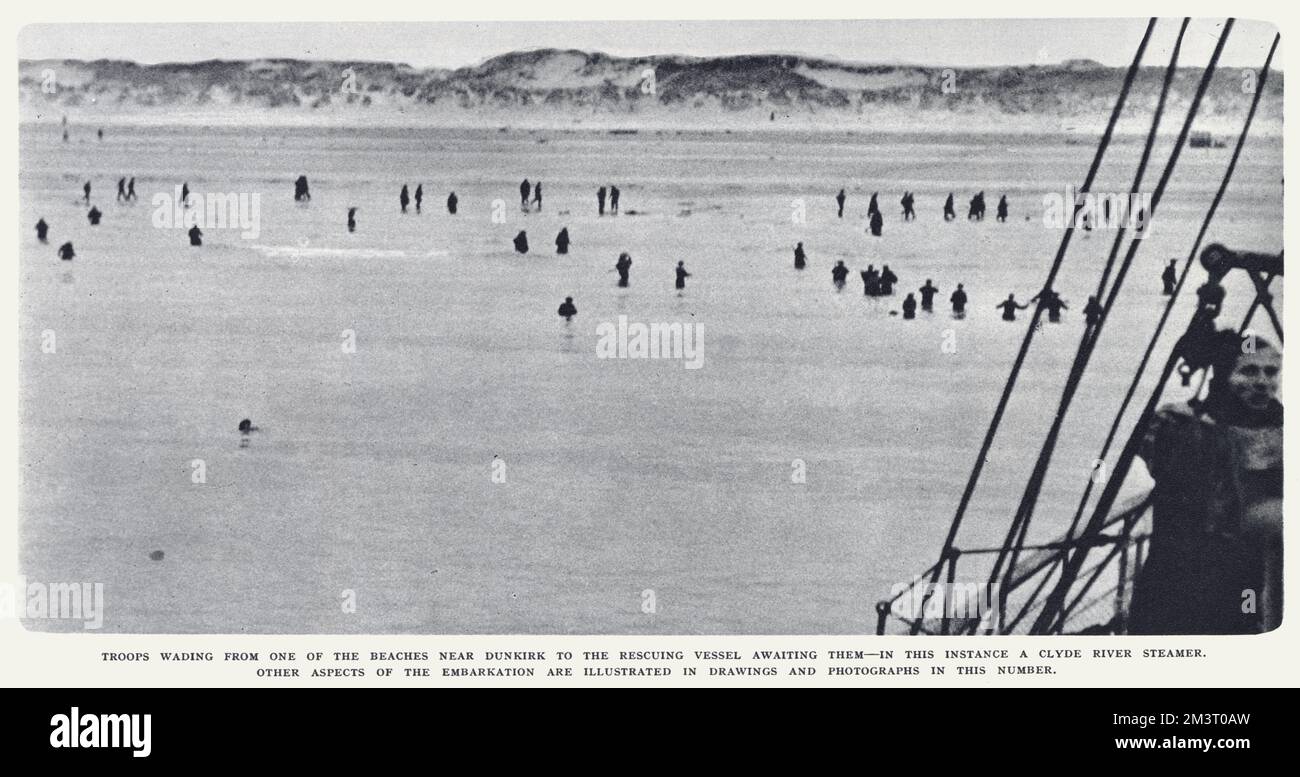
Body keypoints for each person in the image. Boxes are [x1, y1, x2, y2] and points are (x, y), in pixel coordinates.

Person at [1128, 333, 1282, 635]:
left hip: (1247, 583)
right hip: (1175, 582)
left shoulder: (1285, 430)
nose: (1263, 381)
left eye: (1271, 371)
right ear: (1224, 374)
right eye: (1249, 371)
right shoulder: (1177, 424)